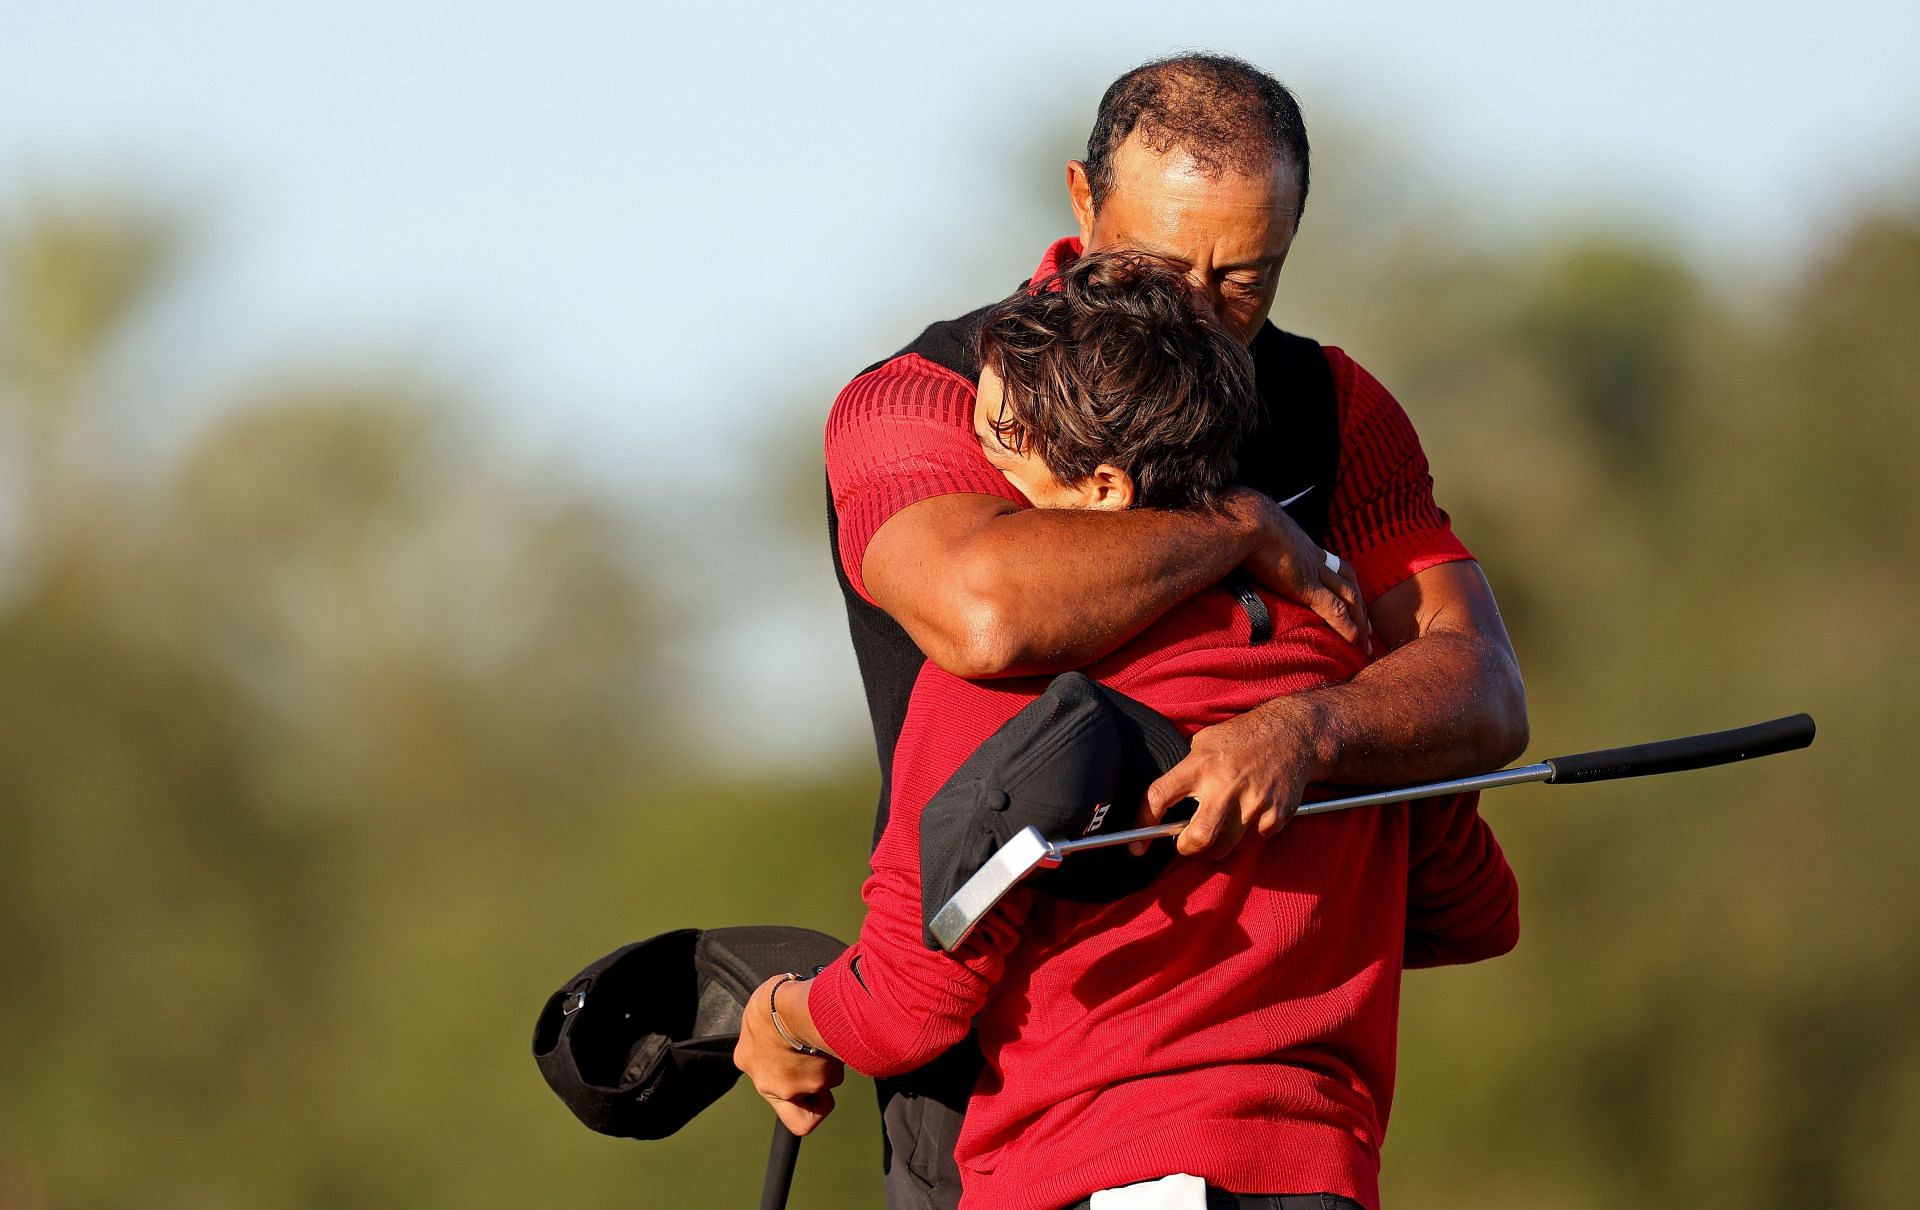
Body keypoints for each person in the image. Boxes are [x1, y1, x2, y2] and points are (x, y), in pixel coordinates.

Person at [821, 52, 1528, 1210]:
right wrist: (1241, 525)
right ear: (1080, 201)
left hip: (1274, 1118)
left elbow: (1483, 693)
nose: (1199, 315)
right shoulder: (937, 395)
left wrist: (1313, 731)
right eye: (1158, 263)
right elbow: (987, 613)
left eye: (1244, 279)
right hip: (978, 1080)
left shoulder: (1338, 409)